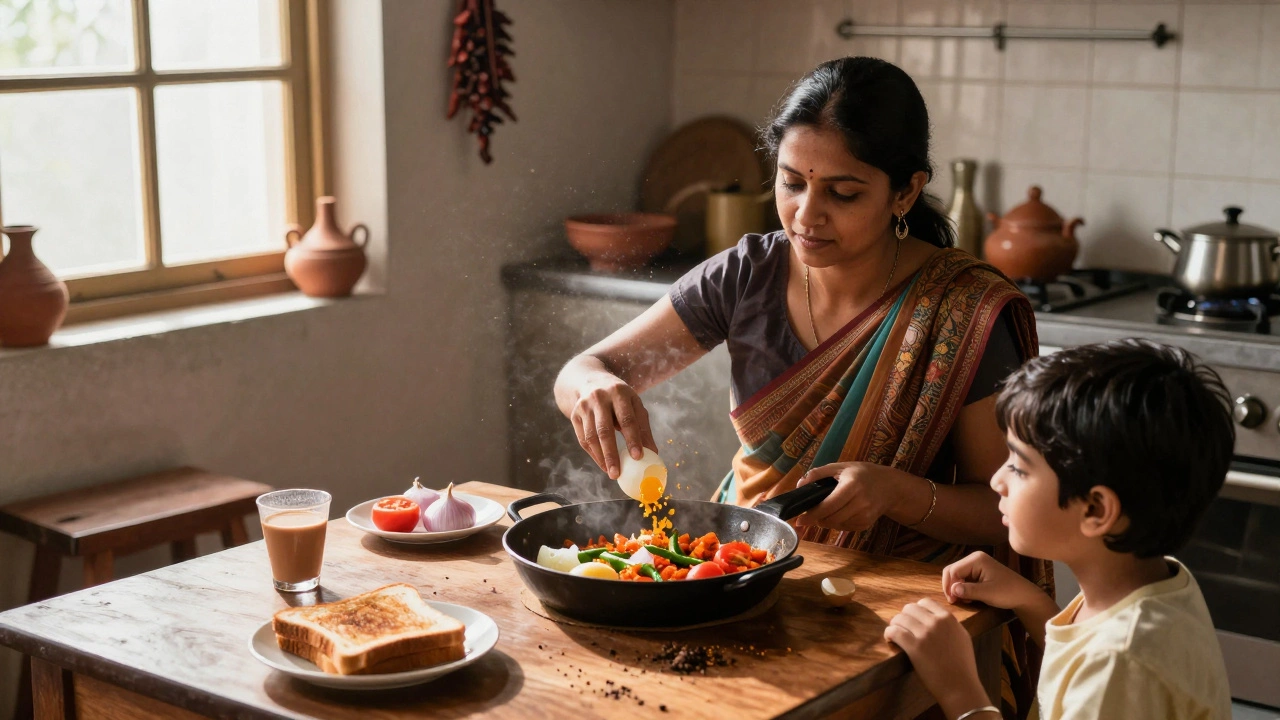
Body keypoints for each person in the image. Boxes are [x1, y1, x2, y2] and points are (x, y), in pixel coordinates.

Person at [554, 56, 1050, 715]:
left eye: (842, 194)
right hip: (743, 569)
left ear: (905, 193)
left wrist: (895, 493)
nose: (806, 214)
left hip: (909, 610)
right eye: (791, 183)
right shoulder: (747, 275)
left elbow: (1006, 515)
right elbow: (589, 368)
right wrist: (590, 387)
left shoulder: (963, 312)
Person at [885, 340, 1234, 720]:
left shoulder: (1119, 664)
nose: (997, 481)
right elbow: (1080, 660)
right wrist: (1031, 601)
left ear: (1096, 510)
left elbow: (1099, 668)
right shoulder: (1156, 586)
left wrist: (959, 688)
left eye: (1018, 467)